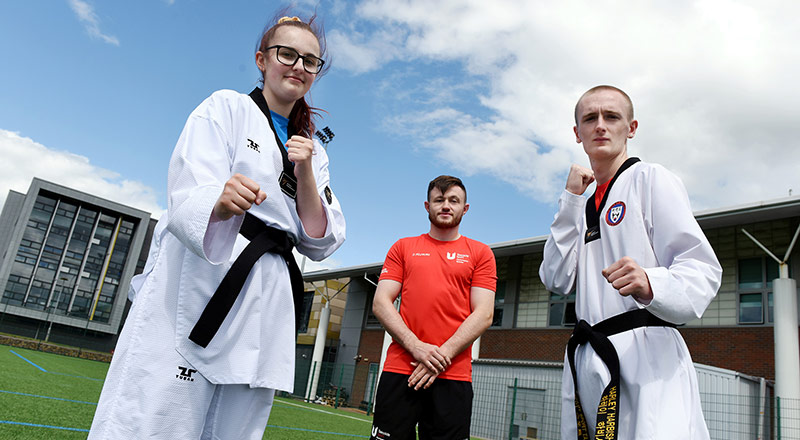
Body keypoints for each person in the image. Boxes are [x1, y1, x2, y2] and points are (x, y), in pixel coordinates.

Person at [89, 13, 345, 439]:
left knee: (237, 424)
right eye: (288, 54)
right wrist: (220, 201)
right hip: (208, 274)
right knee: (158, 415)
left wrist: (305, 175)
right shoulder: (226, 107)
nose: (299, 66)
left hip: (268, 291)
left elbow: (320, 238)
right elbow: (190, 187)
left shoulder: (313, 151)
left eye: (311, 61)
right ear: (262, 59)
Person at [539, 85, 722, 439]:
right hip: (588, 354)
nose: (601, 126)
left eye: (612, 117)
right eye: (590, 118)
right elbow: (556, 278)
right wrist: (570, 201)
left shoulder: (650, 179)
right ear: (577, 133)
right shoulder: (580, 203)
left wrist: (652, 282)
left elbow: (702, 268)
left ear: (632, 127)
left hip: (646, 354)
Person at [369, 175, 496, 440]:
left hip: (453, 375)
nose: (446, 206)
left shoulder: (481, 253)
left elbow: (483, 314)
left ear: (465, 208)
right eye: (439, 200)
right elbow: (381, 303)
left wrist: (441, 356)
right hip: (401, 369)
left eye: (453, 200)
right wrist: (415, 346)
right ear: (427, 206)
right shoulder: (403, 247)